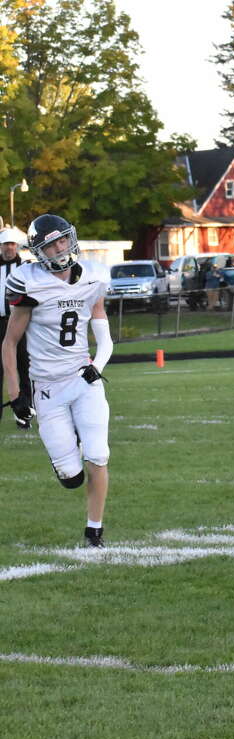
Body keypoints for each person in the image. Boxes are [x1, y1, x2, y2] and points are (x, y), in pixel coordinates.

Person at [2, 214, 113, 547]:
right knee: (71, 478)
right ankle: (70, 453)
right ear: (39, 251)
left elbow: (104, 335)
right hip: (47, 387)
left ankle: (94, 531)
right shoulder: (28, 281)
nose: (60, 248)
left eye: (63, 239)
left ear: (71, 238)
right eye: (51, 244)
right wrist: (16, 394)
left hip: (83, 380)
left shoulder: (93, 277)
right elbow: (9, 342)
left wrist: (97, 366)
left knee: (98, 455)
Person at [0, 227, 32, 429]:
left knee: (24, 368)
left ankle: (24, 413)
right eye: (5, 244)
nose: (9, 248)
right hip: (0, 322)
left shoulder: (25, 267)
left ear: (17, 246)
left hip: (20, 323)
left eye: (12, 244)